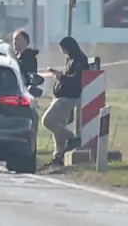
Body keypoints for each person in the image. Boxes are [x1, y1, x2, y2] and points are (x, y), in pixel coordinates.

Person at [41, 36, 89, 167]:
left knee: (48, 121)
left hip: (68, 97)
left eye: (63, 48)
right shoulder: (72, 59)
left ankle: (73, 138)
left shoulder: (79, 59)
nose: (63, 51)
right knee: (58, 126)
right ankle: (58, 156)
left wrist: (61, 77)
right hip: (63, 96)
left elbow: (76, 79)